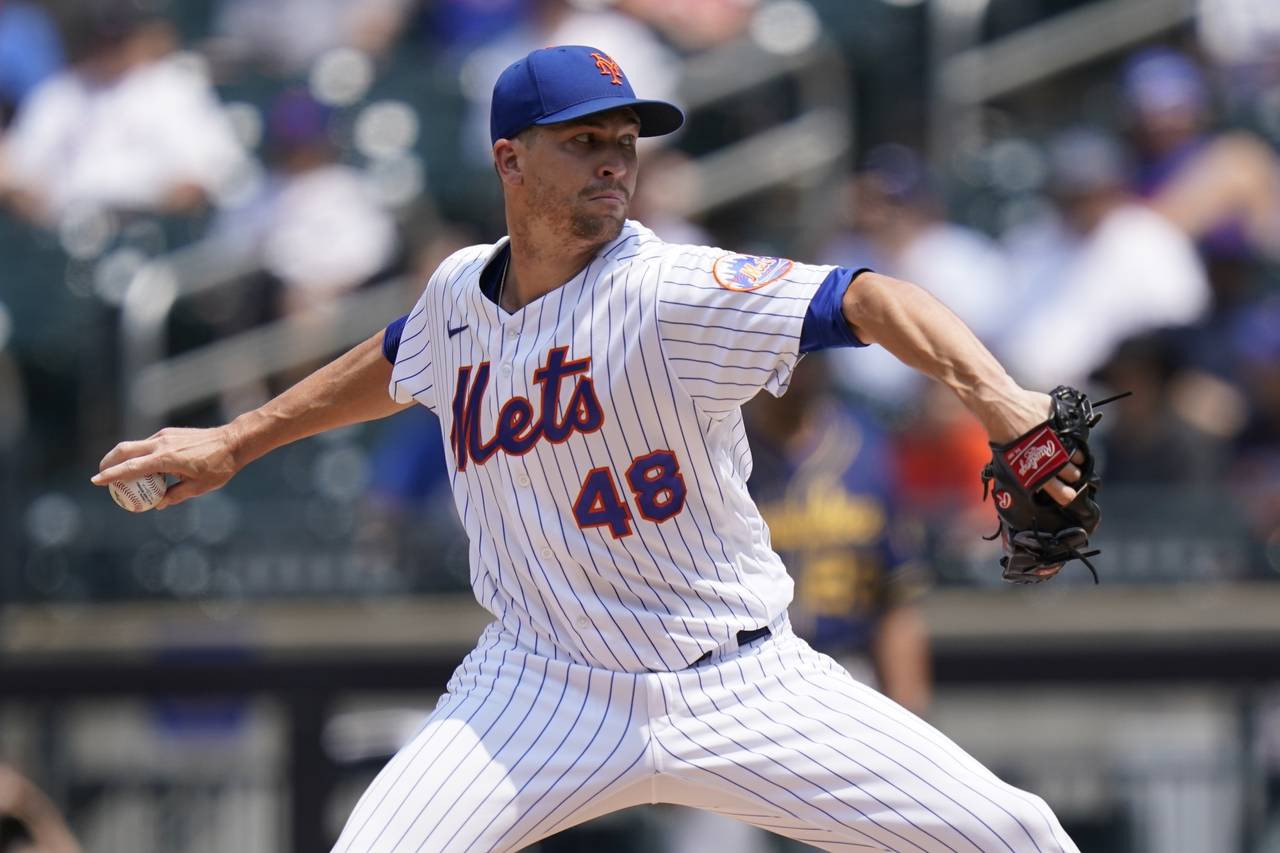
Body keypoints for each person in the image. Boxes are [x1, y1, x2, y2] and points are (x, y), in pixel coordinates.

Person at [94, 45, 1084, 851]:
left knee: (1016, 834)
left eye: (625, 140)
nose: (615, 158)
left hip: (739, 682)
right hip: (534, 688)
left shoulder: (671, 289)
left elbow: (870, 299)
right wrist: (234, 438)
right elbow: (396, 357)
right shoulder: (456, 296)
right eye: (584, 140)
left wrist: (996, 400)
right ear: (509, 158)